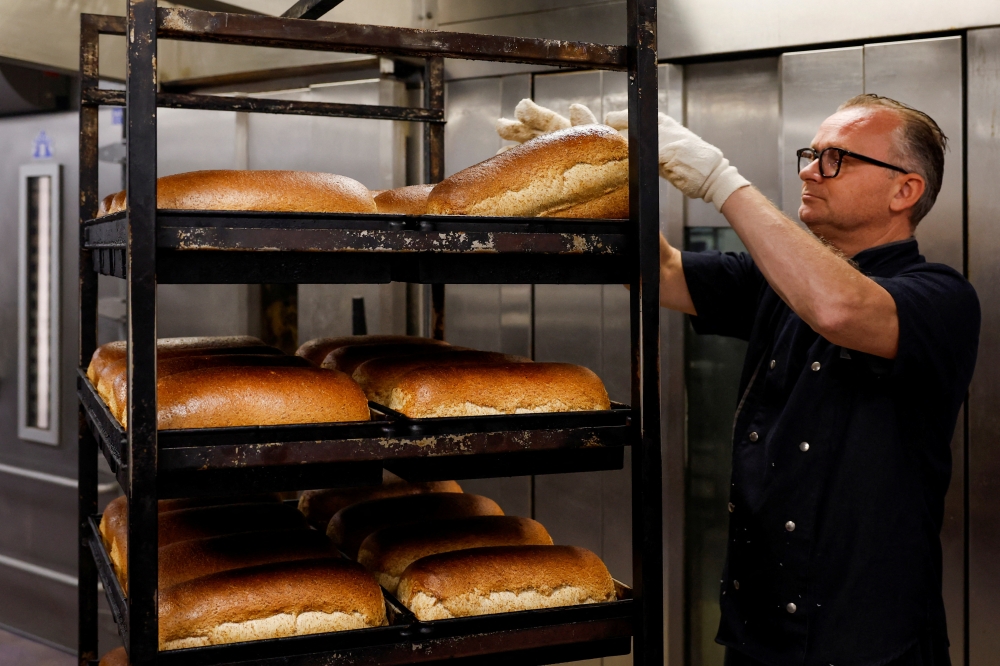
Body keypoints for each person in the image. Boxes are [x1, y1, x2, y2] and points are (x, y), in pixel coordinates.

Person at [499, 94, 980, 666]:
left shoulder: (941, 298)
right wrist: (602, 177)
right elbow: (664, 272)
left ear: (906, 190)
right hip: (761, 625)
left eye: (837, 159)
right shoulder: (775, 279)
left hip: (870, 634)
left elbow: (840, 309)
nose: (809, 169)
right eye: (811, 153)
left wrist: (721, 182)